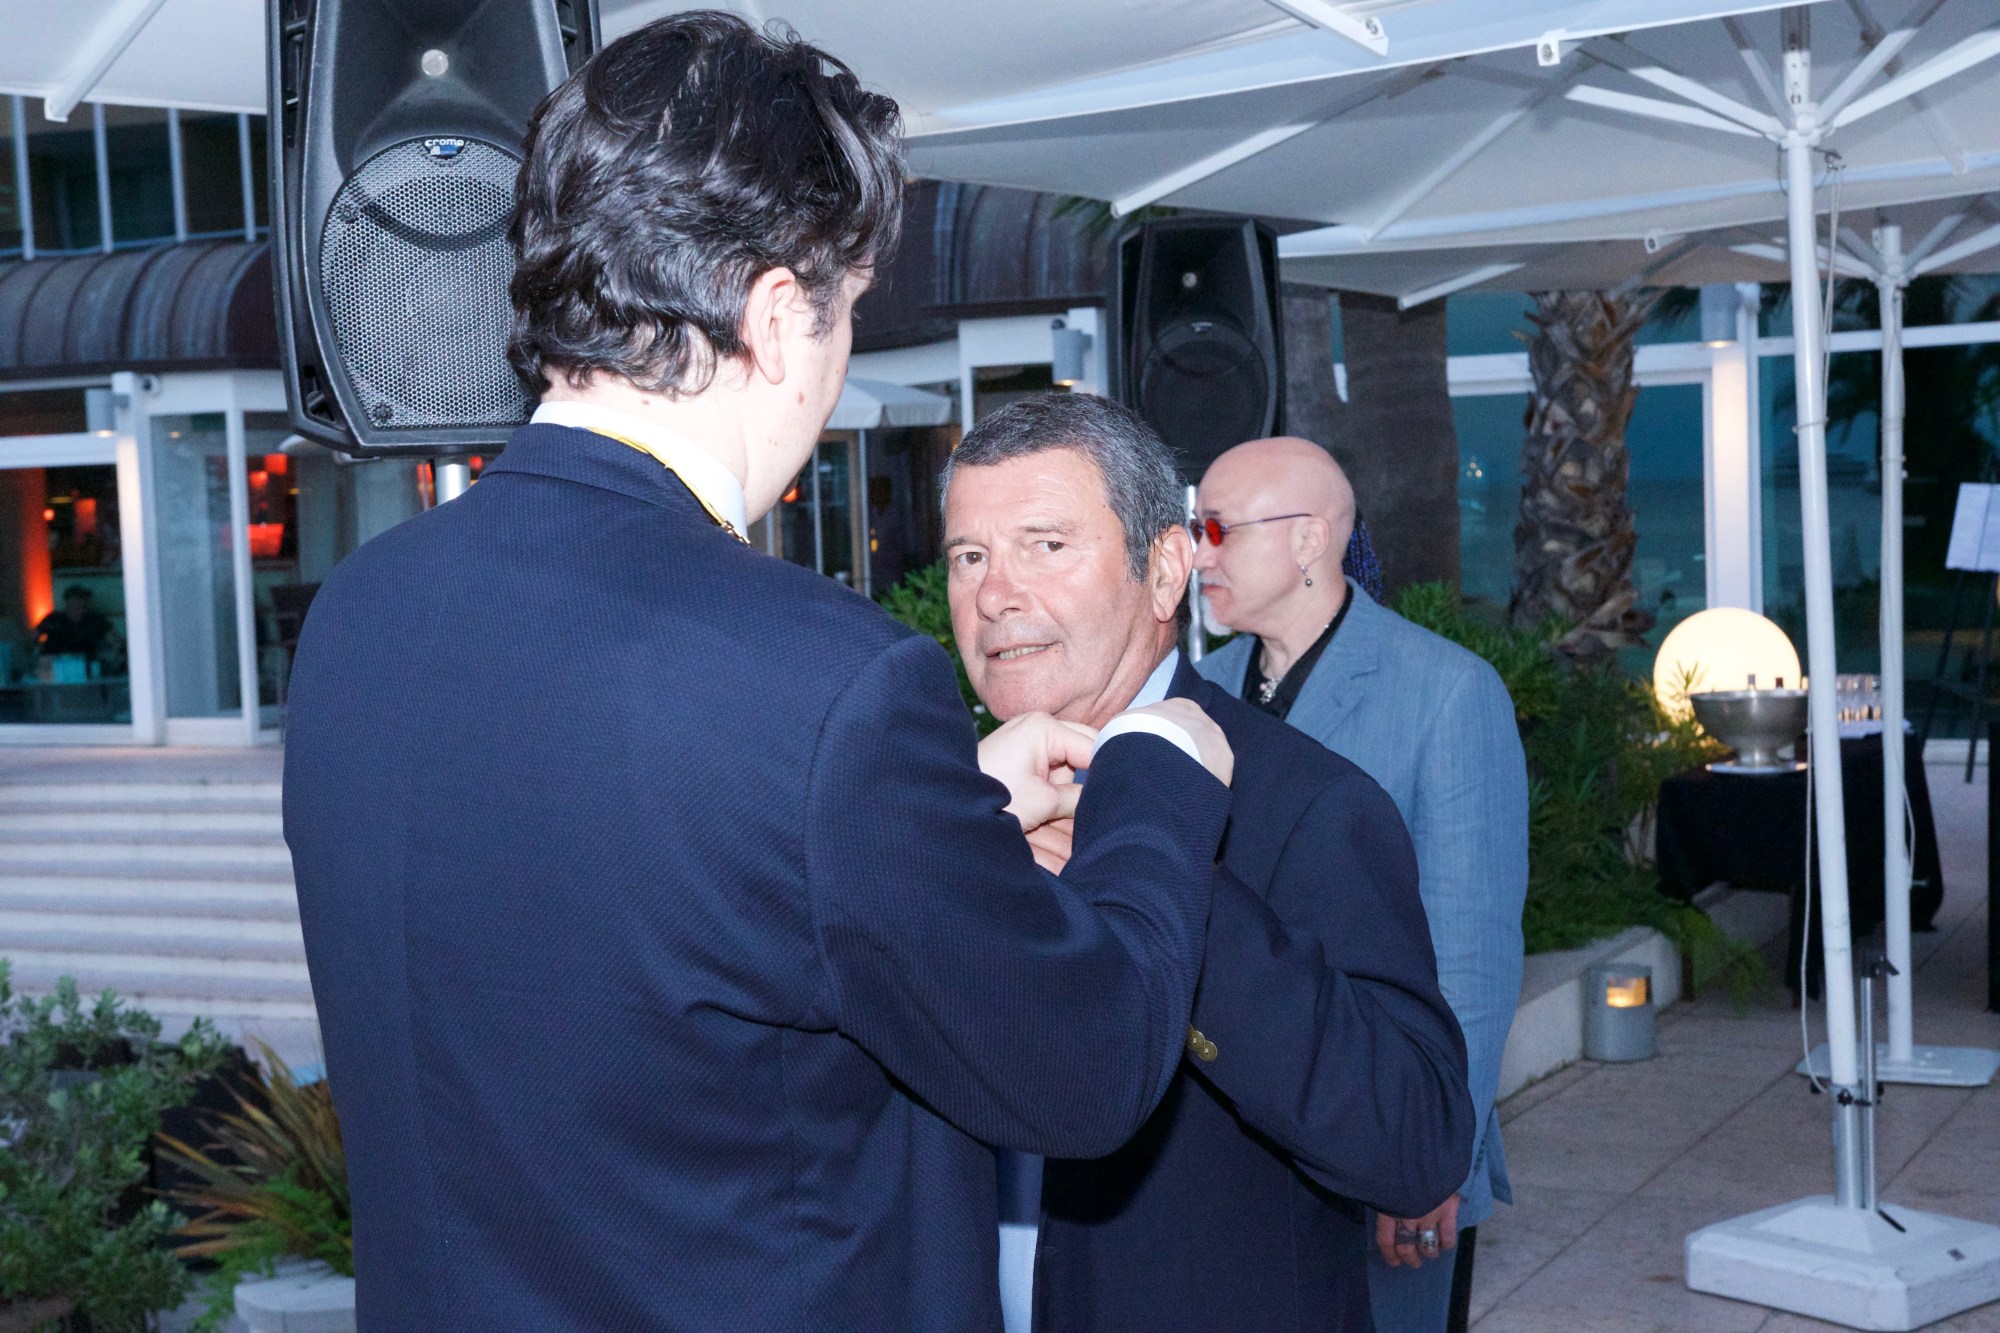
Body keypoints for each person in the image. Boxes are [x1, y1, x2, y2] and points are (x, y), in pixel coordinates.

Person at [282, 16, 1237, 1331]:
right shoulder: (827, 682)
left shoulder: (358, 614)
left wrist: (947, 813)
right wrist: (1158, 780)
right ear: (779, 316)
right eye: (849, 317)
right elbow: (1082, 1067)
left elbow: (639, 909)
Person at [942, 393, 1475, 1333]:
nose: (994, 594)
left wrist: (1159, 870)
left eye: (1045, 545)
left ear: (1164, 571)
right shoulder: (930, 798)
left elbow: (1415, 1140)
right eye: (969, 556)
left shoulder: (1307, 802)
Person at [1194, 436, 1530, 1333]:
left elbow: (1473, 962)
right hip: (1233, 1145)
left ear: (1309, 538)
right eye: (1192, 529)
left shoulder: (1448, 692)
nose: (1196, 554)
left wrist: (1429, 1159)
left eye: (1218, 529)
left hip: (1382, 1129)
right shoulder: (1199, 692)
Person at [35, 586, 114, 665]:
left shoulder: (96, 620)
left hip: (86, 663)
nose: (77, 605)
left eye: (80, 601)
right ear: (67, 602)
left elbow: (113, 640)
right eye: (74, 602)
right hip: (54, 663)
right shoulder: (53, 619)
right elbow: (33, 637)